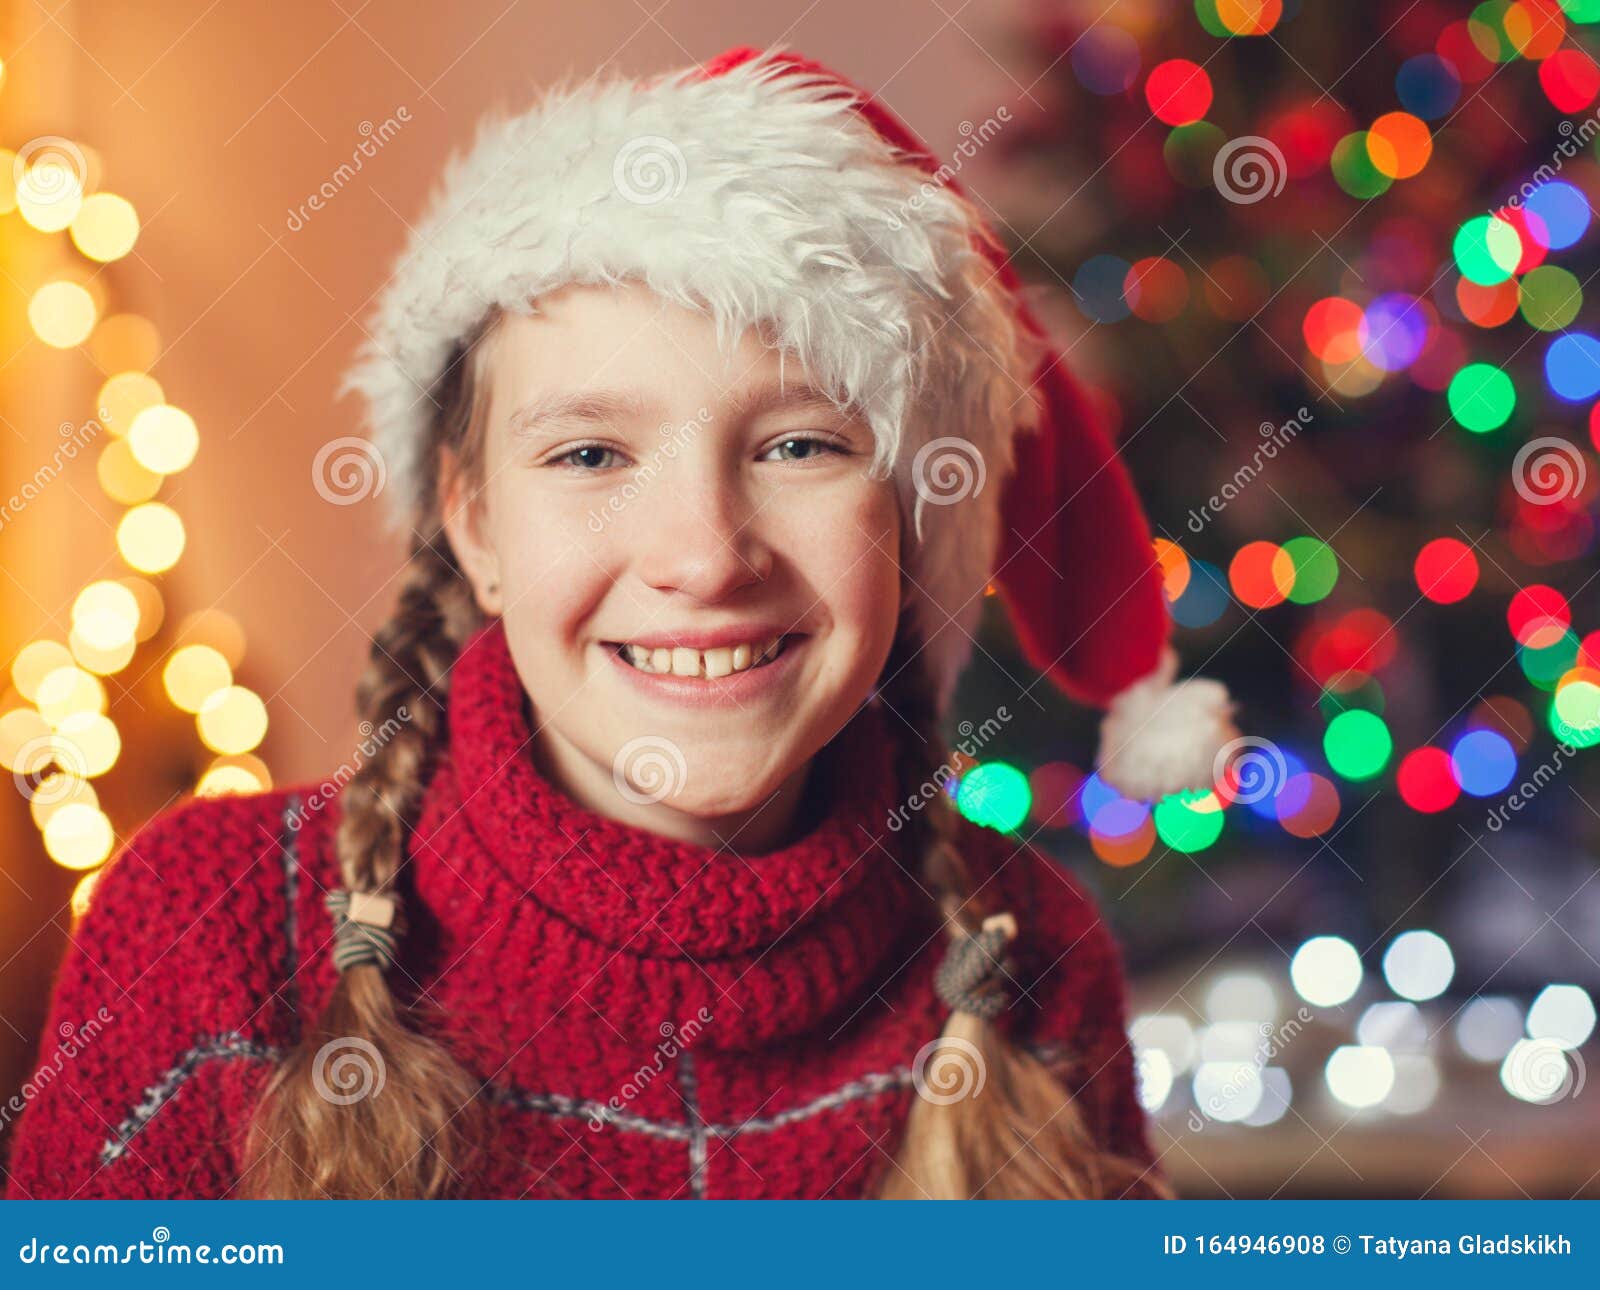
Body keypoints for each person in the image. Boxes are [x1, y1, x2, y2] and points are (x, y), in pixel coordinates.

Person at [2, 46, 1235, 1201]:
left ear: (911, 517)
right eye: (592, 453)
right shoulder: (208, 940)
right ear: (474, 522)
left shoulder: (1034, 965)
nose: (703, 556)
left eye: (800, 444)